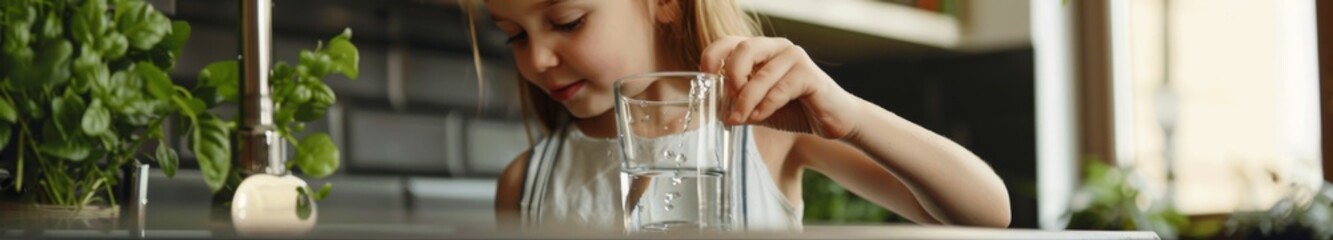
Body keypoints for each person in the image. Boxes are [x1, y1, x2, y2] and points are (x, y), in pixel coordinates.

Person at [481, 0, 1011, 231]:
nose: (536, 58)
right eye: (515, 36)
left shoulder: (766, 129)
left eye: (567, 21)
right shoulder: (524, 184)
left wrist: (848, 118)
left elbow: (985, 214)